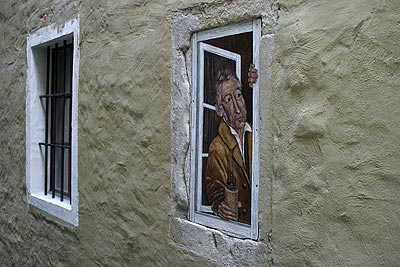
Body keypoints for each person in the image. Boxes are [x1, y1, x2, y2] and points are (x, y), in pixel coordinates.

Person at [206, 64, 258, 224]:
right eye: (228, 100)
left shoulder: (256, 132)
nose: (237, 108)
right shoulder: (218, 148)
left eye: (238, 96)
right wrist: (220, 205)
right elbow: (214, 190)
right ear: (220, 110)